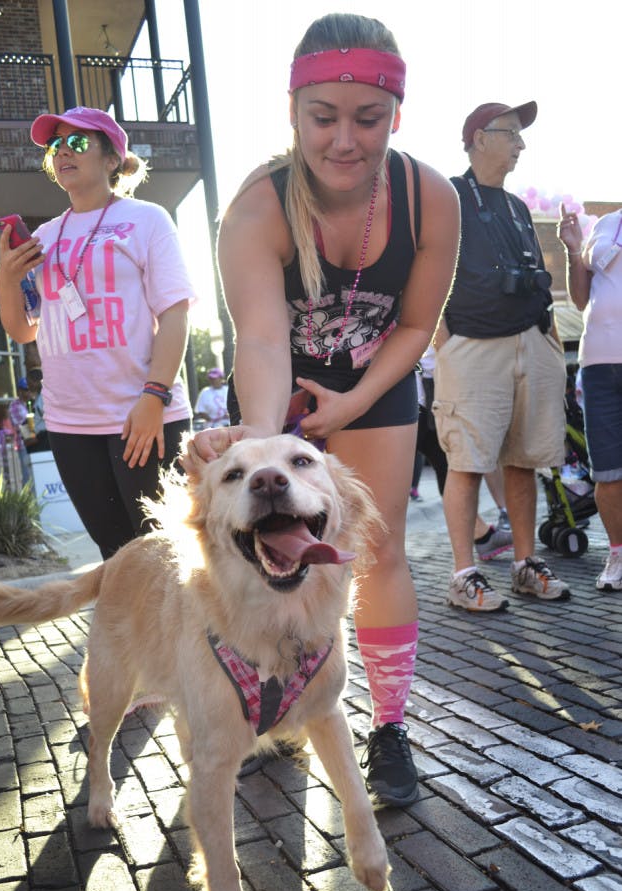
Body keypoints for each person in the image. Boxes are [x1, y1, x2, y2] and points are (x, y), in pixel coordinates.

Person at [185, 13, 460, 807]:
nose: (345, 140)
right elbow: (264, 339)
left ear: (396, 116)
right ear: (292, 113)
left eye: (367, 119)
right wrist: (269, 440)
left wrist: (360, 399)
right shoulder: (255, 209)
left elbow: (415, 325)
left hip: (376, 380)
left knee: (376, 552)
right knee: (273, 544)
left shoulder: (428, 198)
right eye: (323, 118)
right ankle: (278, 697)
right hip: (286, 388)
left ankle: (390, 727)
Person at [0, 107, 194, 559]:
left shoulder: (148, 219)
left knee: (166, 555)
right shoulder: (43, 237)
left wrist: (154, 396)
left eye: (79, 142)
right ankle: (130, 634)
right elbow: (24, 331)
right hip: (70, 423)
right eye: (56, 145)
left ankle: (183, 633)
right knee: (117, 557)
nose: (64, 150)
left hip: (142, 414)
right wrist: (9, 278)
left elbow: (176, 313)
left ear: (111, 159)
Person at [433, 100, 569, 611]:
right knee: (467, 463)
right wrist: (443, 340)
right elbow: (421, 270)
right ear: (477, 138)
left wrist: (550, 344)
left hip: (530, 343)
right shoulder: (448, 196)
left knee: (523, 461)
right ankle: (464, 573)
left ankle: (524, 564)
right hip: (474, 346)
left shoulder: (513, 206)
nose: (520, 143)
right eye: (510, 133)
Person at [558, 202, 622, 591]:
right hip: (598, 363)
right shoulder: (605, 225)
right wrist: (571, 249)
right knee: (607, 471)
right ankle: (617, 553)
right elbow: (580, 299)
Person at [415, 344, 513, 560]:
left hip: (426, 388)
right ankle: (482, 536)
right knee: (441, 464)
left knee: (447, 463)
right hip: (424, 387)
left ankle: (482, 535)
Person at [8, 377, 35, 485]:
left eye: (29, 389)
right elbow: (25, 424)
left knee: (35, 473)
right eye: (26, 389)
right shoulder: (15, 405)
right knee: (27, 474)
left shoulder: (30, 403)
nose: (28, 392)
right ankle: (28, 500)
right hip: (24, 445)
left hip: (33, 443)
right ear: (19, 391)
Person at [25, 369, 50, 453]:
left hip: (43, 439)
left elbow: (48, 418)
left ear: (36, 382)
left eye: (29, 382)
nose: (28, 385)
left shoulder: (44, 397)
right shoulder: (38, 397)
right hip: (37, 439)